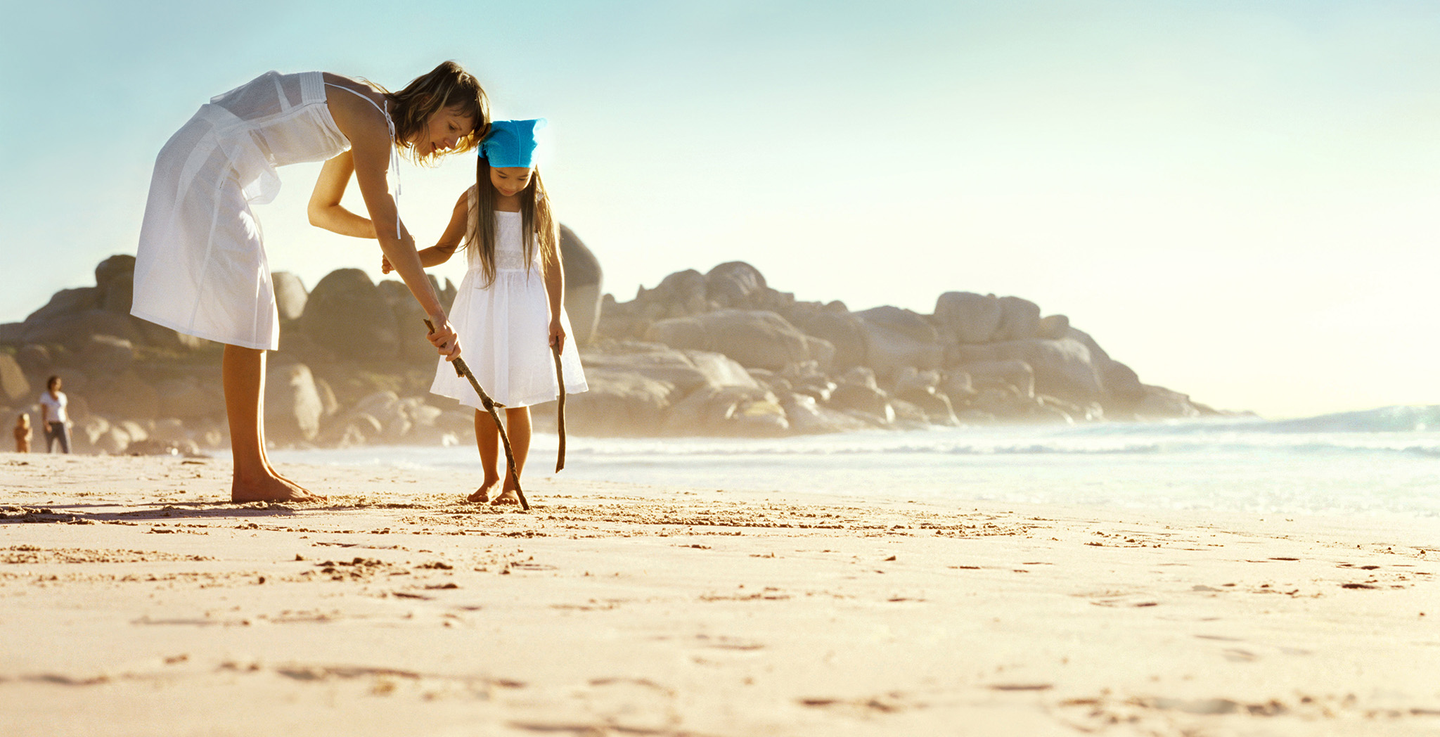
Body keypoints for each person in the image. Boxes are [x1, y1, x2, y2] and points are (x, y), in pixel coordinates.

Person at [131, 62, 489, 502]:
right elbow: (388, 228)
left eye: (460, 139)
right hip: (208, 161)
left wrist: (391, 238)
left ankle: (255, 469)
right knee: (250, 312)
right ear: (429, 102)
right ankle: (249, 476)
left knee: (255, 313)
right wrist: (436, 313)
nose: (450, 143)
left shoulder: (372, 113)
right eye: (452, 126)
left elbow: (322, 211)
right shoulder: (372, 120)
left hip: (210, 159)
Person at [385, 119, 587, 505]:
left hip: (529, 306)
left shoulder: (539, 204)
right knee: (483, 397)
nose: (511, 185)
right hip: (482, 300)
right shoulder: (473, 199)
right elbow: (444, 249)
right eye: (502, 176)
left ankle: (513, 483)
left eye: (521, 177)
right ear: (484, 163)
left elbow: (552, 264)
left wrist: (557, 317)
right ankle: (490, 479)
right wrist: (403, 259)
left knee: (517, 398)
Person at [38, 376, 70, 454]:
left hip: (61, 423)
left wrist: (68, 424)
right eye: (54, 383)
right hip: (50, 423)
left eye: (58, 383)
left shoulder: (62, 396)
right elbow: (44, 411)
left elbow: (65, 411)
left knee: (66, 446)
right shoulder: (45, 396)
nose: (55, 385)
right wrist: (45, 424)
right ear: (50, 384)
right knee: (50, 448)